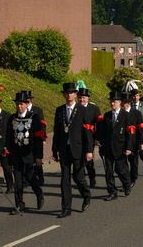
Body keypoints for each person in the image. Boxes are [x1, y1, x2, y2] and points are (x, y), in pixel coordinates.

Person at [52, 83, 93, 218]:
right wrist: (54, 150)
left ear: (75, 94)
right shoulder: (59, 110)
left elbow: (87, 131)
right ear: (64, 94)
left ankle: (86, 195)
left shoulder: (82, 110)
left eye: (71, 93)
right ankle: (66, 208)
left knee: (78, 176)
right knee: (64, 179)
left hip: (78, 148)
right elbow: (57, 131)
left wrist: (89, 150)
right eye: (66, 93)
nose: (69, 95)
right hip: (64, 148)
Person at [6, 92, 45, 215]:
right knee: (18, 181)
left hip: (30, 154)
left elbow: (38, 139)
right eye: (17, 104)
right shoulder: (12, 118)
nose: (19, 107)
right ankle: (19, 204)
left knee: (31, 177)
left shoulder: (34, 117)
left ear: (27, 104)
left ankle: (39, 194)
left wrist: (39, 156)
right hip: (16, 154)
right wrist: (8, 153)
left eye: (21, 104)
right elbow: (9, 137)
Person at [95, 91, 133, 201]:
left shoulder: (126, 115)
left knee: (120, 169)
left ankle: (127, 184)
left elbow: (130, 133)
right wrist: (98, 140)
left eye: (115, 102)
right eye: (111, 102)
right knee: (108, 171)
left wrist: (129, 148)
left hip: (121, 148)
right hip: (107, 148)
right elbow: (102, 131)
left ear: (120, 102)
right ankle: (112, 192)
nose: (112, 104)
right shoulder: (107, 115)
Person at [77, 87, 102, 188]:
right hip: (77, 138)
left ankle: (92, 177)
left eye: (83, 97)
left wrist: (97, 138)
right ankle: (81, 180)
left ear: (87, 98)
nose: (81, 100)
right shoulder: (76, 107)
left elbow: (99, 124)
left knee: (88, 160)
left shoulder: (94, 108)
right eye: (79, 98)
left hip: (90, 138)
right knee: (79, 160)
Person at [21, 90, 47, 186]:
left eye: (27, 99)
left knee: (36, 159)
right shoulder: (20, 110)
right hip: (24, 138)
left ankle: (40, 176)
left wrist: (43, 138)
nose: (26, 101)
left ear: (30, 100)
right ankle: (25, 180)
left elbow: (42, 125)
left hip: (35, 138)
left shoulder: (37, 110)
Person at [121, 92, 143, 188]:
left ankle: (133, 178)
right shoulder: (120, 114)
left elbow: (141, 129)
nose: (122, 104)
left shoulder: (136, 114)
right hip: (123, 142)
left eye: (123, 103)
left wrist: (142, 142)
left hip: (134, 142)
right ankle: (127, 180)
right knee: (123, 163)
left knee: (133, 163)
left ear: (128, 103)